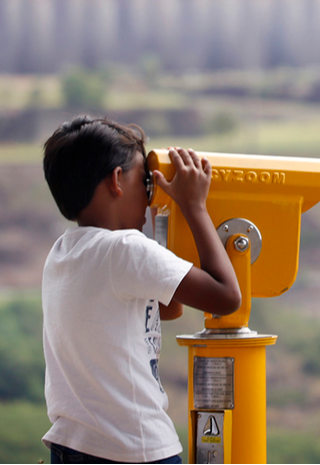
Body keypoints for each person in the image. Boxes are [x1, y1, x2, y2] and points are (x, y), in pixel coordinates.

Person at [40, 116, 242, 464]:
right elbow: (226, 297)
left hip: (72, 447)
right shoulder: (126, 250)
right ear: (117, 181)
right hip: (134, 448)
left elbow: (168, 307)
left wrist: (164, 216)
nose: (152, 197)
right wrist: (193, 207)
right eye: (147, 183)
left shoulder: (63, 253)